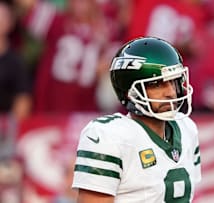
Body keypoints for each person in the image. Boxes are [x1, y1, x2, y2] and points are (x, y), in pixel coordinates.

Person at [72, 37, 201, 203]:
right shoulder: (108, 136)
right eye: (157, 84)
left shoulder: (187, 129)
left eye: (173, 81)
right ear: (130, 91)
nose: (171, 93)